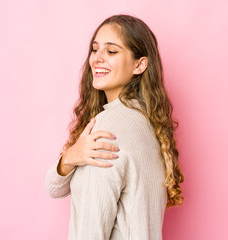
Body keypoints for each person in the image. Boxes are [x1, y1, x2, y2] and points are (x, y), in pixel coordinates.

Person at [44, 14, 184, 239]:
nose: (96, 58)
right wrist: (70, 156)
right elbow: (54, 187)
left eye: (111, 51)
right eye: (95, 49)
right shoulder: (148, 122)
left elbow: (90, 232)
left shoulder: (106, 129)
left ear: (139, 65)